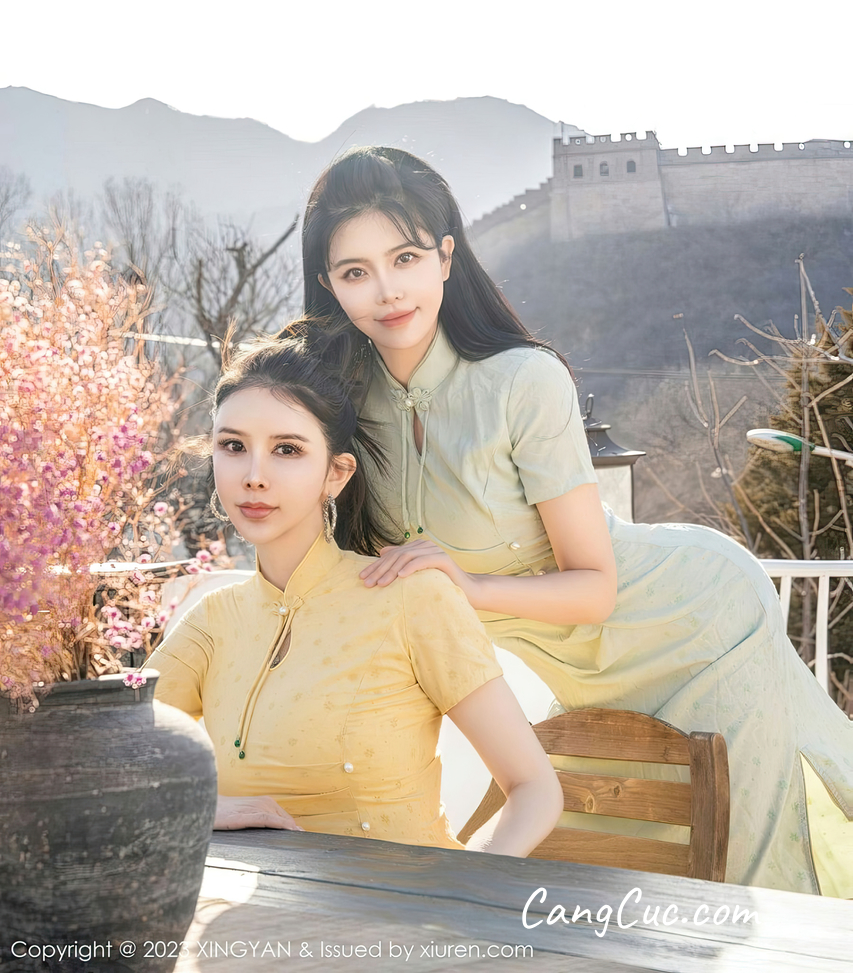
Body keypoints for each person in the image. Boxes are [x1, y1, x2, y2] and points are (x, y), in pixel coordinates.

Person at [300, 144, 853, 896]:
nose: (386, 290)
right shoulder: (335, 407)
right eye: (355, 272)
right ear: (328, 285)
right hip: (560, 668)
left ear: (446, 258)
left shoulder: (522, 381)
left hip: (690, 623)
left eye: (405, 258)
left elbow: (594, 586)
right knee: (609, 882)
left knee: (736, 873)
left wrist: (469, 586)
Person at [143, 329, 562, 855]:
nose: (253, 476)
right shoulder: (212, 620)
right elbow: (105, 762)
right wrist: (199, 806)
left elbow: (534, 788)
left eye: (287, 450)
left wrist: (467, 893)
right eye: (233, 446)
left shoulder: (410, 598)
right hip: (255, 906)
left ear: (336, 474)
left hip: (406, 899)